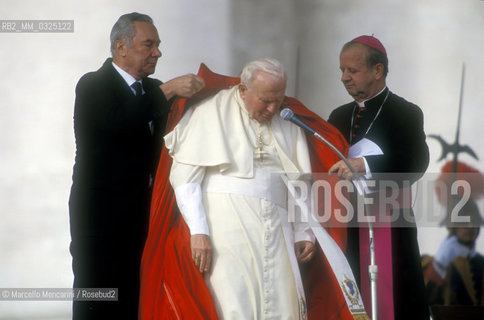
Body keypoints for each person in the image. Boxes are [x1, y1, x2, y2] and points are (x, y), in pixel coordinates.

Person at [139, 60, 370, 319]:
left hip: (278, 228)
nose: (273, 109)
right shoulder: (208, 112)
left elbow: (298, 182)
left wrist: (303, 231)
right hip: (225, 229)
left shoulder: (287, 118)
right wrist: (199, 231)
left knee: (284, 305)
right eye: (265, 101)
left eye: (278, 100)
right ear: (243, 89)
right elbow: (186, 179)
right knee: (234, 305)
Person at [68, 12, 205, 319]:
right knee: (99, 296)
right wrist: (168, 90)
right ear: (121, 48)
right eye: (149, 44)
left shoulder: (152, 90)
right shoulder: (92, 85)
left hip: (143, 218)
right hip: (99, 220)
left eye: (158, 45)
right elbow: (120, 121)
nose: (158, 52)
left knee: (136, 298)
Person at [327, 35, 430, 320]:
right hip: (346, 224)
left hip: (390, 224)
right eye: (342, 71)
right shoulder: (338, 116)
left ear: (378, 71)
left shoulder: (405, 113)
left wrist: (366, 165)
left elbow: (416, 162)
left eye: (352, 70)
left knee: (395, 299)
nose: (345, 78)